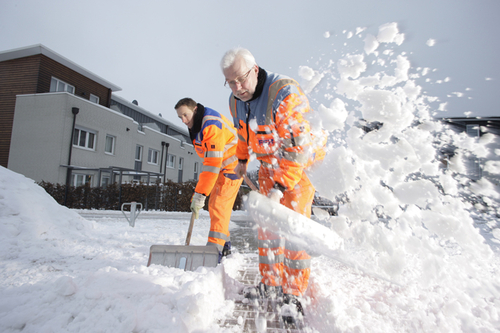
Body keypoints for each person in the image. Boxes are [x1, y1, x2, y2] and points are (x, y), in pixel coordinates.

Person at [220, 48, 325, 326]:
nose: (237, 87)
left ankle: (293, 294)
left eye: (241, 79)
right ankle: (270, 284)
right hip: (269, 166)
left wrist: (280, 188)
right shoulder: (235, 100)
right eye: (230, 82)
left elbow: (298, 147)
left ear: (255, 70)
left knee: (293, 232)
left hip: (299, 168)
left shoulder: (285, 93)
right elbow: (243, 133)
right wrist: (242, 160)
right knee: (267, 231)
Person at [174, 97, 243, 262]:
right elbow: (210, 161)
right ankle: (224, 245)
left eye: (185, 115)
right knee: (214, 207)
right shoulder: (196, 126)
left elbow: (211, 164)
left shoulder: (211, 125)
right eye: (180, 117)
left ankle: (214, 252)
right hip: (221, 166)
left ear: (195, 110)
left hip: (233, 167)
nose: (183, 120)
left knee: (219, 206)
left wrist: (200, 194)